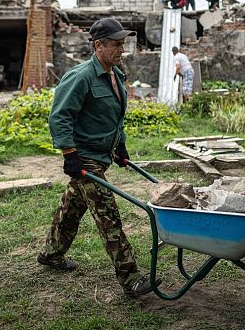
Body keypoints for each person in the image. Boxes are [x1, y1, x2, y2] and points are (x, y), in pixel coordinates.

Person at [38, 18, 161, 297]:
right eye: (116, 45)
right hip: (84, 157)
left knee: (72, 208)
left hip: (101, 154)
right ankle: (131, 278)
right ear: (98, 46)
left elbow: (115, 118)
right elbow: (60, 116)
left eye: (123, 44)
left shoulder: (116, 75)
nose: (122, 50)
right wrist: (70, 154)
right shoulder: (81, 76)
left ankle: (51, 254)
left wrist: (121, 146)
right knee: (107, 214)